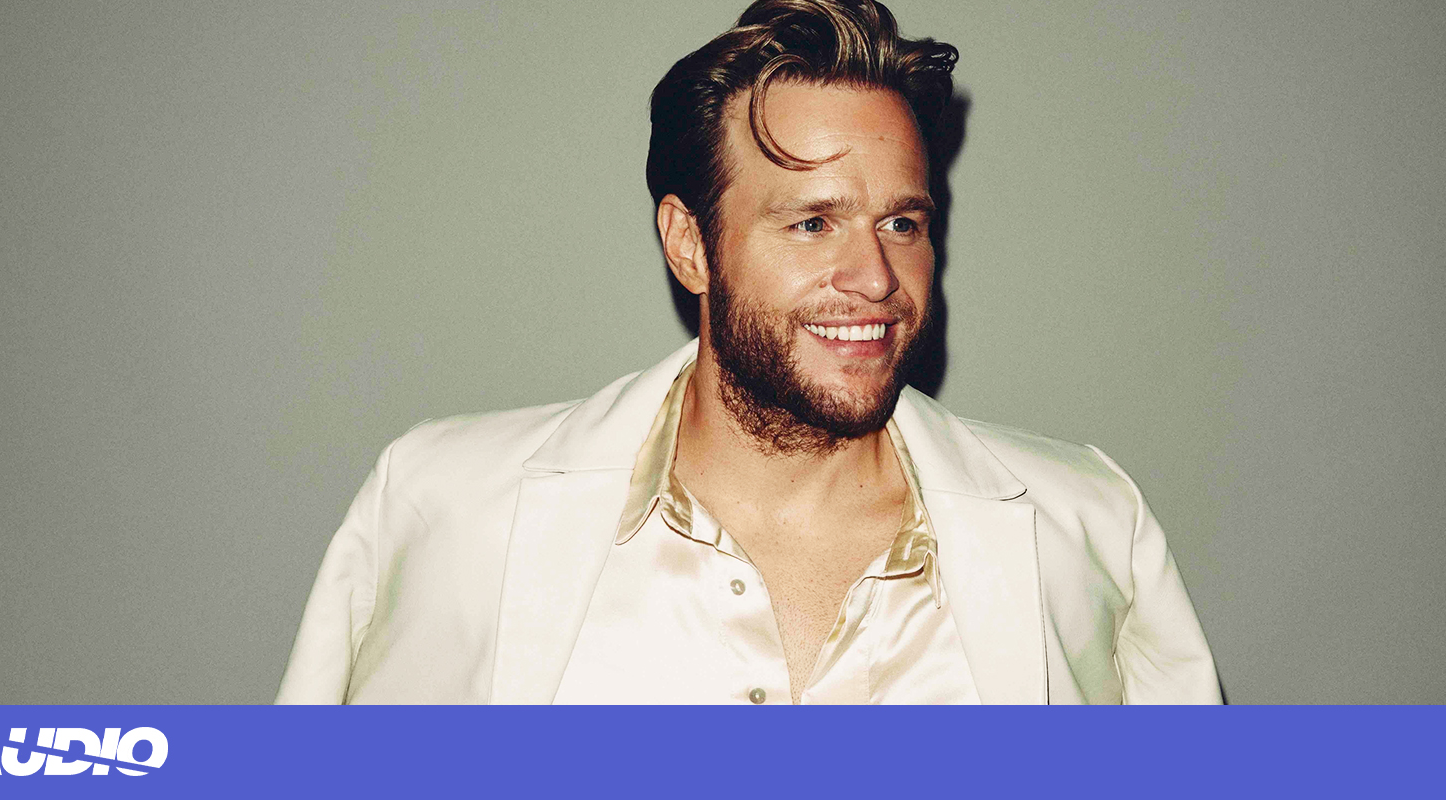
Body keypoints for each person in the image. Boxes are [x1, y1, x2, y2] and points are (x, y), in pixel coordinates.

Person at [276, 0, 1220, 704]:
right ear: (690, 243)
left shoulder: (1088, 529)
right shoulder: (445, 509)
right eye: (812, 223)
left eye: (902, 222)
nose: (877, 278)